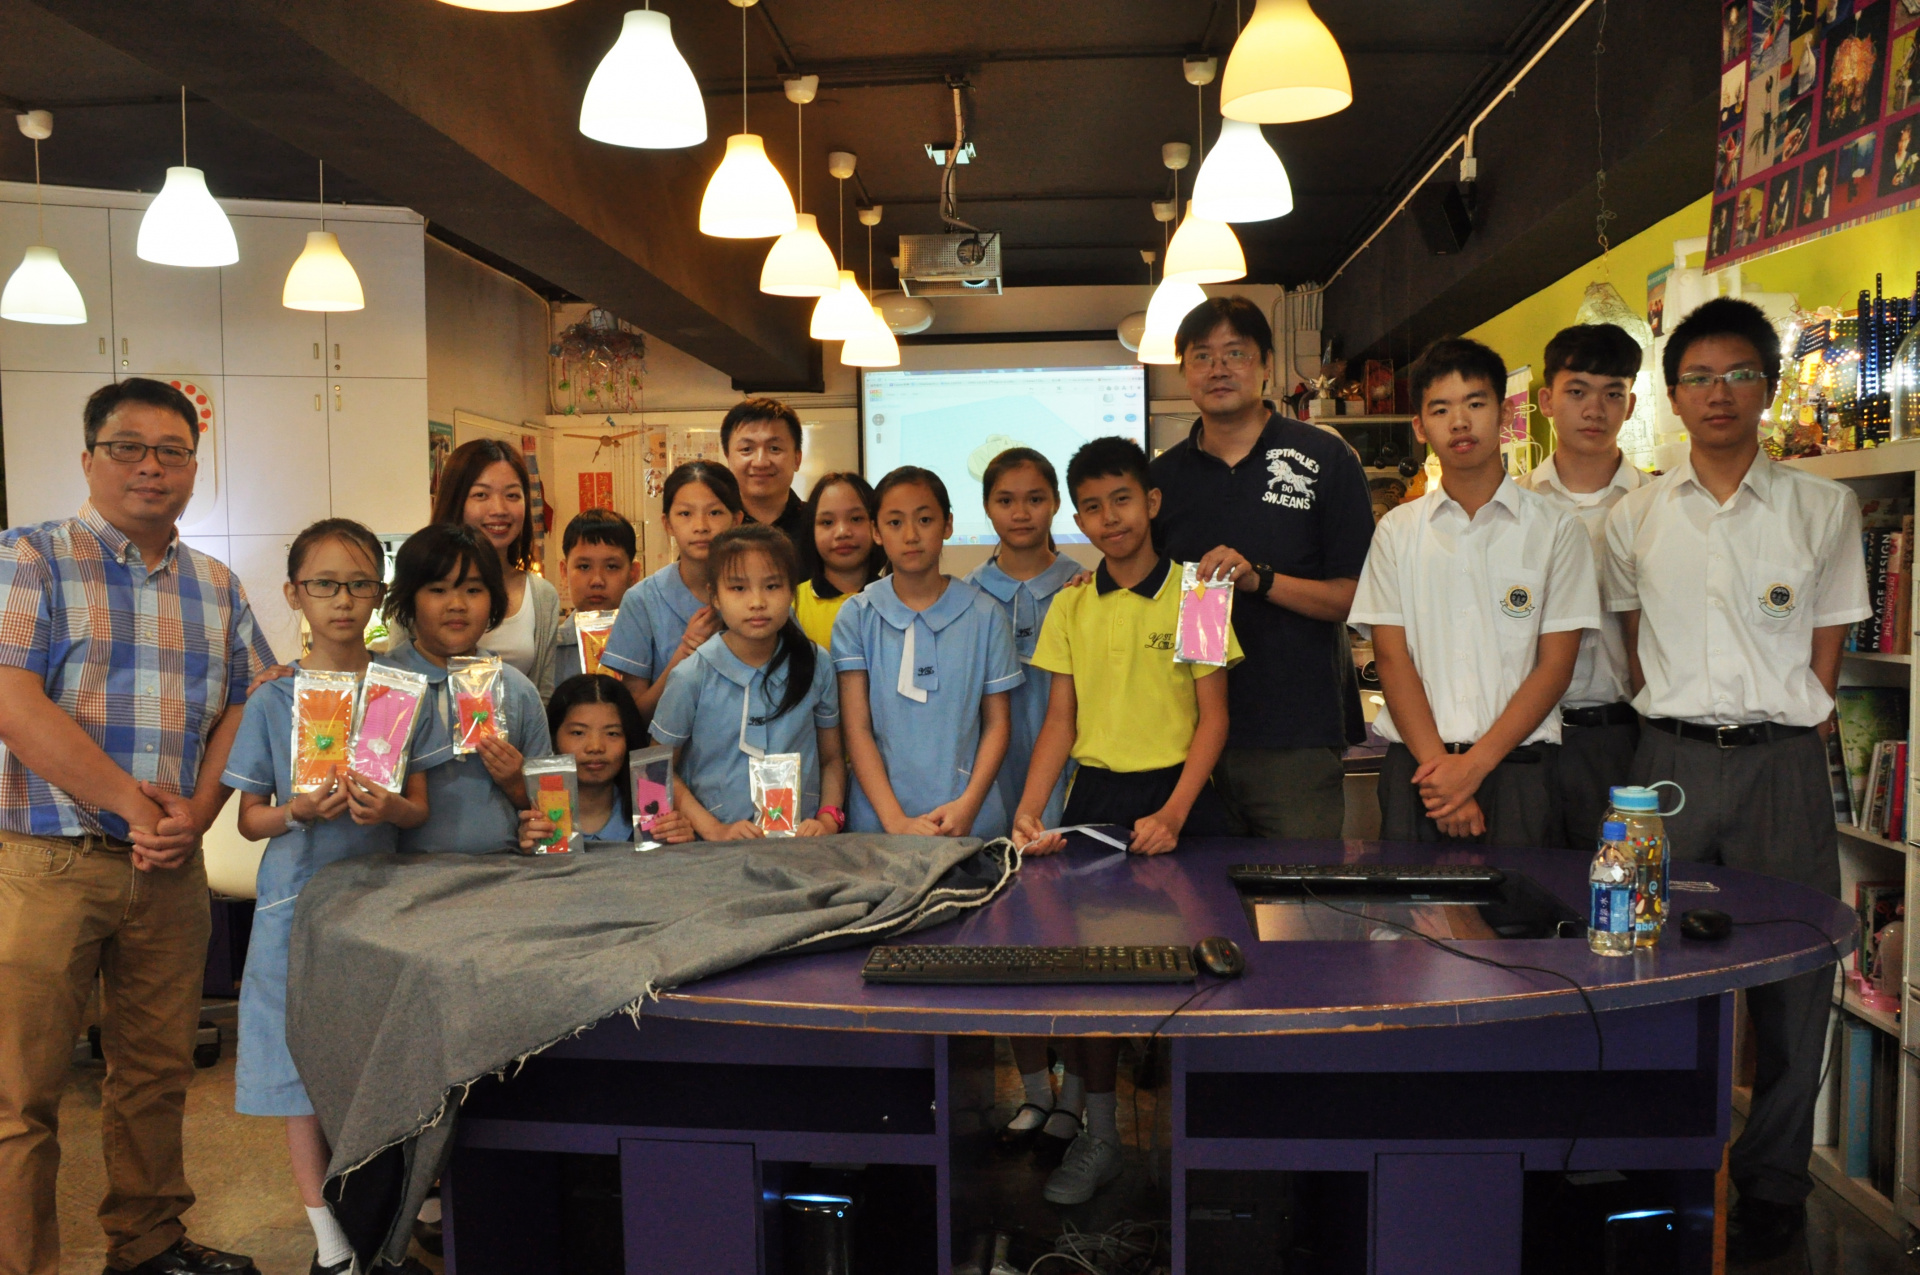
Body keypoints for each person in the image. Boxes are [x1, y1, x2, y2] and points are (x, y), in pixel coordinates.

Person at [1604, 297, 1869, 1262]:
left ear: (1770, 387)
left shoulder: (1823, 508)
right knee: (1649, 970)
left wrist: (1789, 716)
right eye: (1699, 378)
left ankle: (1773, 1183)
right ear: (1673, 397)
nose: (1719, 394)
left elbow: (1828, 644)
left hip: (1783, 766)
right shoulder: (1635, 516)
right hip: (1666, 766)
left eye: (1739, 375)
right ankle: (1655, 1171)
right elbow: (1633, 644)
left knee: (1798, 976)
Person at [0, 378, 275, 1275]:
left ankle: (150, 1243)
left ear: (193, 468)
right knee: (19, 1093)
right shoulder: (31, 557)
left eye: (172, 451)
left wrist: (198, 811)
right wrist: (135, 803)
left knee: (156, 1073)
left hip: (168, 867)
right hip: (45, 860)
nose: (150, 466)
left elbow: (249, 699)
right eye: (128, 447)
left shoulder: (216, 585)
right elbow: (13, 701)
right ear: (89, 459)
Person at [1010, 437, 1239, 1206]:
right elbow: (1060, 721)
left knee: (1192, 979)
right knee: (1090, 981)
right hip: (1097, 803)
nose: (1110, 518)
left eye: (1123, 500)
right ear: (1079, 520)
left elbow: (1214, 718)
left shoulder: (1198, 594)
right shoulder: (1072, 602)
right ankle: (1100, 1133)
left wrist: (1173, 811)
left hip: (1182, 800)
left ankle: (1196, 1146)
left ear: (1152, 502)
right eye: (1093, 507)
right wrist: (1030, 809)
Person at [222, 520, 430, 1275]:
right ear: (294, 594)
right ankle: (329, 1237)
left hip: (380, 905)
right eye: (324, 584)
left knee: (376, 1064)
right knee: (297, 1073)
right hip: (296, 904)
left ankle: (386, 1218)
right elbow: (249, 819)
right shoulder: (274, 699)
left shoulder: (399, 691)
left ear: (379, 592)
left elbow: (418, 807)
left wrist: (390, 808)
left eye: (359, 584)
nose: (343, 600)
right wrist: (298, 811)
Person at [1348, 337, 1598, 845]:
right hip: (1419, 773)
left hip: (1520, 771)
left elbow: (1556, 666)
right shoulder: (1397, 531)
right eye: (1441, 409)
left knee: (1524, 897)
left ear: (1505, 413)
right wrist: (1444, 775)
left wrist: (1472, 769)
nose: (1459, 422)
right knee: (1410, 897)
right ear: (1420, 427)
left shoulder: (1557, 529)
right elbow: (1391, 658)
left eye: (1475, 404)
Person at [1149, 295, 1374, 839]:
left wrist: (1261, 580)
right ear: (1184, 371)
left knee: (1299, 887)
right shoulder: (1162, 478)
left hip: (1293, 735)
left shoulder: (1324, 459)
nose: (1218, 369)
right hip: (1181, 737)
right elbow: (1147, 591)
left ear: (1267, 364)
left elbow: (1357, 596)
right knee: (1187, 892)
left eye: (1236, 353)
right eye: (1202, 356)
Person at [831, 467, 1021, 840]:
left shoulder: (985, 614)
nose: (911, 535)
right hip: (880, 825)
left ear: (948, 524)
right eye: (895, 522)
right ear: (876, 531)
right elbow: (856, 729)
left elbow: (998, 724)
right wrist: (895, 821)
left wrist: (968, 807)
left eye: (925, 519)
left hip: (968, 821)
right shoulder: (857, 615)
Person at [1521, 324, 1646, 849]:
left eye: (1613, 393)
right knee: (1519, 882)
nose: (1595, 409)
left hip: (1620, 734)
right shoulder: (1513, 507)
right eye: (1577, 391)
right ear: (1548, 400)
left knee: (1619, 880)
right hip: (1522, 733)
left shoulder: (1658, 507)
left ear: (1631, 405)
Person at [645, 525, 845, 841]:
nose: (757, 602)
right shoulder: (691, 675)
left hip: (801, 848)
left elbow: (832, 758)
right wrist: (715, 829)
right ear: (715, 596)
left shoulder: (816, 663)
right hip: (713, 851)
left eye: (772, 586)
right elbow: (656, 769)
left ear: (791, 591)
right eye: (738, 588)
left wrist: (828, 818)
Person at [379, 524, 550, 853]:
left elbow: (552, 813)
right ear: (409, 599)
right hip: (403, 876)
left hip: (503, 869)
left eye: (473, 590)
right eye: (438, 590)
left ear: (494, 598)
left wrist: (516, 783)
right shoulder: (384, 684)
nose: (457, 604)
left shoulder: (517, 690)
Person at [967, 448, 1081, 831]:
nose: (1020, 513)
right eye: (1005, 501)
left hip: (1070, 765)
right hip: (987, 771)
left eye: (1035, 499)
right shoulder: (967, 596)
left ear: (1056, 503)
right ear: (986, 506)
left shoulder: (1083, 588)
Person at [600, 462, 744, 718]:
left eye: (715, 512)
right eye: (685, 514)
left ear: (737, 520)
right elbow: (635, 715)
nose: (701, 526)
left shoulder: (760, 591)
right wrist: (685, 653)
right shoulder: (642, 600)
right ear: (667, 523)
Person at [429, 438, 562, 698]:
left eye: (512, 495)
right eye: (481, 495)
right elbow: (399, 681)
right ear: (455, 501)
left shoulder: (542, 596)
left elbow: (543, 697)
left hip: (517, 725)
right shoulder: (421, 586)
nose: (499, 509)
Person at [518, 674, 649, 847]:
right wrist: (528, 850)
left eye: (612, 733)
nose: (595, 747)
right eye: (578, 733)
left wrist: (673, 838)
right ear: (553, 738)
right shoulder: (533, 819)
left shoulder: (651, 815)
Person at [795, 472, 885, 650]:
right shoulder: (792, 604)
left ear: (876, 525)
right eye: (827, 522)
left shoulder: (896, 599)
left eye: (856, 519)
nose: (842, 532)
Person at [552, 508, 641, 685]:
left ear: (633, 574)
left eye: (611, 567)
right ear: (564, 572)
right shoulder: (549, 650)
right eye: (584, 567)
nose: (597, 581)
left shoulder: (648, 644)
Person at [722, 397, 810, 546]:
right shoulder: (716, 526)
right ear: (728, 457)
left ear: (797, 459)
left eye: (774, 448)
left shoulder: (818, 524)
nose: (760, 463)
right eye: (746, 449)